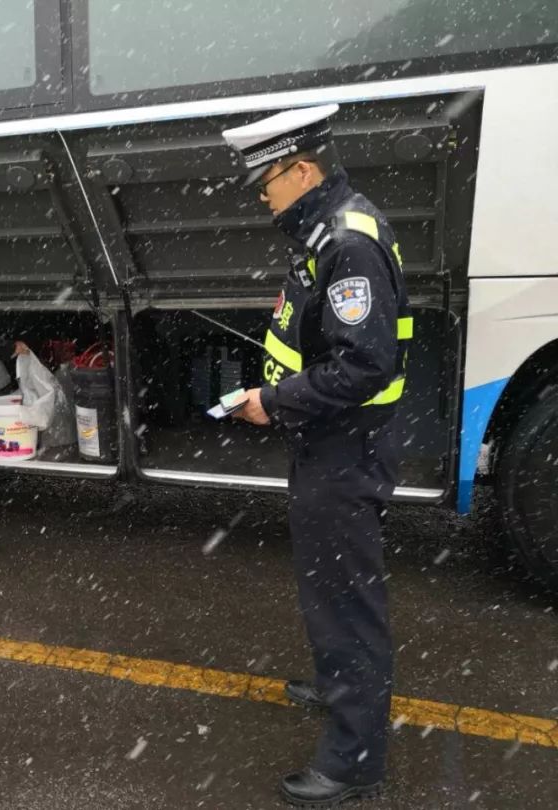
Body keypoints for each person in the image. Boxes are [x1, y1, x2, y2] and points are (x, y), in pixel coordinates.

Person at [222, 104, 412, 807]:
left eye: (265, 181)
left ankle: (354, 762)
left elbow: (363, 364)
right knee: (330, 591)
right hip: (329, 441)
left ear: (302, 170)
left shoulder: (347, 242)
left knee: (345, 602)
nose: (262, 195)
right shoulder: (327, 231)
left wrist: (275, 403)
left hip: (344, 446)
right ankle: (340, 688)